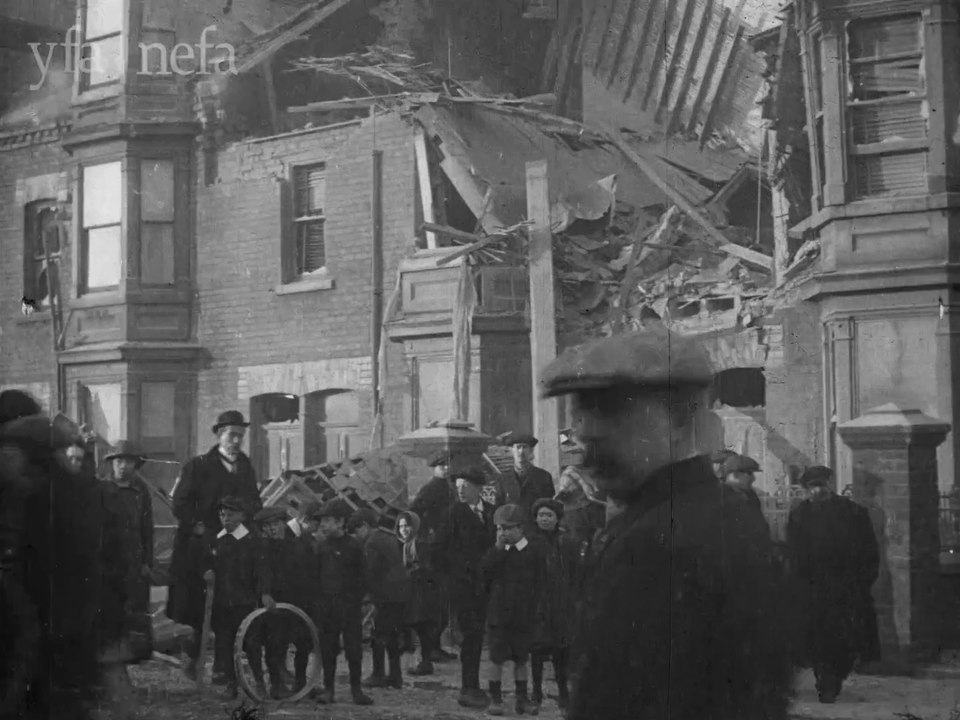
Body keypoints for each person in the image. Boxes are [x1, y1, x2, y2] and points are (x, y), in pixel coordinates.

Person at [541, 326, 794, 720]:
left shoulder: (663, 539)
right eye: (582, 410)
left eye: (613, 409)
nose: (588, 430)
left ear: (678, 420)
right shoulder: (713, 514)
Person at [167, 410, 262, 679]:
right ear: (220, 435)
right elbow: (180, 504)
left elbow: (254, 502)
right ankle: (192, 658)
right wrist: (195, 526)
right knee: (199, 606)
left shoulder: (244, 465)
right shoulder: (198, 465)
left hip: (235, 546)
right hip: (202, 544)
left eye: (240, 436)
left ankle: (223, 666)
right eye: (231, 435)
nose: (236, 441)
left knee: (228, 606)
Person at [787, 465, 880, 703]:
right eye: (812, 487)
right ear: (807, 489)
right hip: (814, 590)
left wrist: (862, 582)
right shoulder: (800, 515)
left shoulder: (853, 513)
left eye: (822, 485)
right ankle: (825, 681)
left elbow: (869, 551)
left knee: (845, 640)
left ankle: (835, 675)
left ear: (831, 484)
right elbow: (794, 554)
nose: (818, 491)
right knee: (818, 640)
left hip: (845, 589)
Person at [437, 467, 497, 709]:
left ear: (479, 489)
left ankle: (479, 687)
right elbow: (437, 550)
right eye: (458, 486)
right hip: (464, 587)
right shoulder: (453, 514)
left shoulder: (492, 512)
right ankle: (468, 688)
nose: (460, 490)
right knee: (471, 637)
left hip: (488, 586)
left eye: (466, 486)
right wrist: (454, 575)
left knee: (480, 635)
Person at [480, 503, 546, 716]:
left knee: (521, 659)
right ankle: (495, 699)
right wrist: (497, 550)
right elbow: (484, 573)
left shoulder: (532, 551)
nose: (504, 533)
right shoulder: (496, 553)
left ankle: (521, 698)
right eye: (500, 528)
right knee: (496, 658)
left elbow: (540, 581)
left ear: (521, 529)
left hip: (523, 615)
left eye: (508, 528)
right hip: (499, 615)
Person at [313, 499, 373, 706]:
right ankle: (329, 689)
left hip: (349, 607)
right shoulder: (321, 547)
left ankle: (357, 691)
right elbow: (316, 576)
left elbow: (363, 576)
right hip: (327, 608)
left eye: (328, 520)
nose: (323, 525)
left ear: (340, 522)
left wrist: (356, 600)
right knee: (328, 649)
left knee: (353, 649)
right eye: (322, 521)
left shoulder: (354, 546)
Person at [100, 441, 155, 663]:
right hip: (110, 559)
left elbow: (147, 529)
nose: (123, 466)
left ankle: (136, 653)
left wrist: (146, 561)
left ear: (135, 465)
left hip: (134, 558)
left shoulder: (140, 492)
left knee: (136, 607)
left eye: (128, 462)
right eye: (119, 461)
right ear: (112, 463)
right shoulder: (102, 489)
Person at [208, 495, 265, 700]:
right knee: (226, 644)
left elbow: (260, 571)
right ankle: (231, 684)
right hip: (223, 604)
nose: (226, 519)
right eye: (222, 515)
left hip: (245, 603)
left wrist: (262, 593)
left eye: (230, 515)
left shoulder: (252, 540)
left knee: (251, 644)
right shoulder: (218, 540)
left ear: (241, 516)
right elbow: (212, 567)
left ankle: (259, 682)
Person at [529, 498, 580, 712]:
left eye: (549, 515)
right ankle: (536, 692)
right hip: (538, 603)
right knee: (537, 649)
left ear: (557, 518)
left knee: (561, 651)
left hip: (561, 602)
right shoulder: (529, 542)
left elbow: (576, 572)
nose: (544, 519)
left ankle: (563, 692)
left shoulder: (568, 542)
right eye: (541, 515)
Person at [409, 451, 458, 662]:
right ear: (434, 468)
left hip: (446, 548)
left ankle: (436, 646)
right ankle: (431, 648)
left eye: (447, 465)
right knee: (434, 602)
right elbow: (414, 512)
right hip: (432, 551)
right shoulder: (430, 489)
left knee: (443, 602)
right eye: (441, 466)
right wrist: (427, 531)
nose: (445, 469)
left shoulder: (450, 487)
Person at [354, 509, 410, 690]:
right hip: (399, 593)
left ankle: (378, 674)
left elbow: (370, 572)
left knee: (378, 634)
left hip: (386, 595)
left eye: (357, 530)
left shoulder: (372, 542)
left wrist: (362, 595)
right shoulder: (387, 537)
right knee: (392, 635)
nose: (357, 535)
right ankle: (395, 676)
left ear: (365, 525)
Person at [396, 510, 442, 676]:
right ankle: (419, 660)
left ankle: (425, 661)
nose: (404, 529)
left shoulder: (419, 544)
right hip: (413, 590)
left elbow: (422, 567)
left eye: (407, 525)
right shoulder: (407, 544)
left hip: (421, 591)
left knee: (422, 625)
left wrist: (405, 575)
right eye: (401, 526)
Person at [501, 433, 555, 527]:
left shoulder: (544, 477)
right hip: (513, 532)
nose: (521, 451)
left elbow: (548, 508)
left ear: (531, 451)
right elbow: (499, 509)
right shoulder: (503, 478)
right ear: (512, 451)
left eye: (525, 447)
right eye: (518, 447)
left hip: (536, 531)